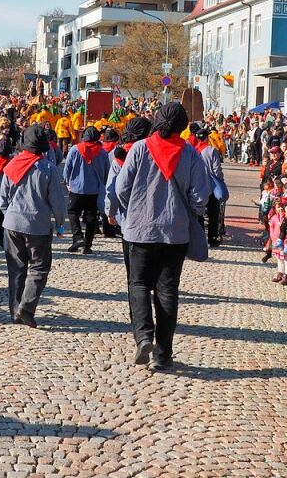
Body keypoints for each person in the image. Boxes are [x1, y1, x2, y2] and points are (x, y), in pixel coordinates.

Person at [114, 102, 209, 372]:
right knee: (167, 292)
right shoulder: (191, 154)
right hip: (175, 232)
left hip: (139, 230)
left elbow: (122, 188)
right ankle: (163, 353)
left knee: (139, 284)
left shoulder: (140, 149)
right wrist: (188, 211)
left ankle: (144, 336)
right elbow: (201, 196)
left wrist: (133, 208)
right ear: (182, 126)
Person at [0, 125, 67, 328]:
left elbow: (3, 198)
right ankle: (26, 309)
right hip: (37, 225)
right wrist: (60, 223)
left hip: (11, 223)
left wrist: (10, 215)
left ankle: (15, 311)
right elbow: (57, 200)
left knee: (16, 269)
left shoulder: (12, 165)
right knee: (39, 267)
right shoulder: (47, 168)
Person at [62, 126, 110, 255]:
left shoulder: (75, 149)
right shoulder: (103, 153)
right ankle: (87, 245)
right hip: (94, 189)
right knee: (91, 217)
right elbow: (106, 172)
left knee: (72, 213)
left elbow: (67, 168)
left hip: (76, 188)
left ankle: (77, 237)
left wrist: (66, 181)